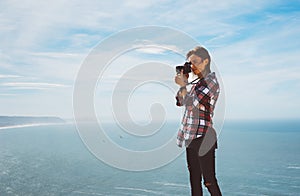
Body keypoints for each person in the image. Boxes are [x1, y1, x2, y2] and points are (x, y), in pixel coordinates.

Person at [175, 46, 222, 196]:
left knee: (209, 181)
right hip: (191, 137)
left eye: (195, 62)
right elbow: (180, 101)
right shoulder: (196, 84)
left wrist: (183, 85)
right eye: (190, 63)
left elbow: (192, 104)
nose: (193, 67)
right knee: (194, 182)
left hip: (204, 137)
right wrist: (184, 84)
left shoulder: (211, 82)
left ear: (206, 61)